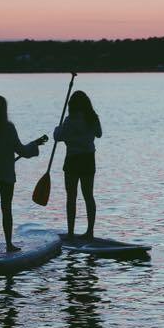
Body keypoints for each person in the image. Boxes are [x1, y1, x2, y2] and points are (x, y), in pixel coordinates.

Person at [0, 95, 47, 253]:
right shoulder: (8, 128)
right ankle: (8, 244)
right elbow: (21, 150)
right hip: (5, 174)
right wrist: (34, 146)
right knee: (6, 209)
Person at [54, 90, 102, 240]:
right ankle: (90, 231)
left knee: (71, 197)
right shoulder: (92, 118)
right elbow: (99, 133)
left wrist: (58, 127)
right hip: (88, 159)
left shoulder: (70, 120)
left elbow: (57, 136)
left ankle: (70, 232)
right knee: (88, 196)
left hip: (73, 160)